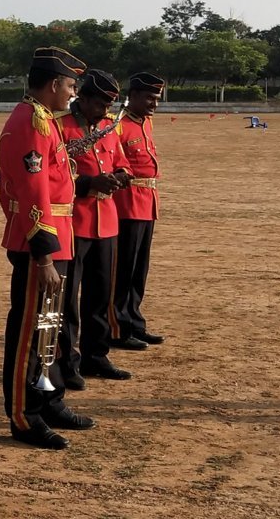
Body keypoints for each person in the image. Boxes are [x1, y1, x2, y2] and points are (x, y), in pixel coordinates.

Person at [0, 47, 94, 450]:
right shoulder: (32, 122)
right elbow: (33, 193)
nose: (73, 93)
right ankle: (25, 415)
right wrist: (43, 255)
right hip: (39, 243)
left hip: (59, 236)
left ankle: (49, 399)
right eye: (71, 85)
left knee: (49, 327)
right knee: (29, 332)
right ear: (54, 84)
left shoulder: (44, 119)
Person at [56, 70, 133, 384]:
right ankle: (66, 363)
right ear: (83, 99)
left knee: (100, 296)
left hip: (106, 222)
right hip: (74, 221)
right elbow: (54, 178)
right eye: (100, 104)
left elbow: (122, 162)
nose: (104, 110)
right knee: (67, 301)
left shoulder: (107, 127)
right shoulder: (61, 127)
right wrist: (89, 184)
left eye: (108, 105)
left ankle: (96, 357)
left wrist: (122, 176)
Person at [110, 72, 166, 351]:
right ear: (132, 96)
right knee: (123, 271)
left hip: (146, 203)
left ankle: (134, 322)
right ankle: (117, 328)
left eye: (156, 99)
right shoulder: (118, 124)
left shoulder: (145, 122)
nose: (154, 104)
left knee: (138, 272)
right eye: (148, 98)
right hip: (127, 204)